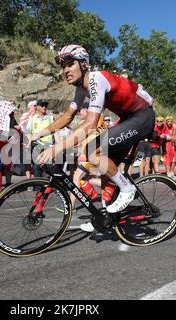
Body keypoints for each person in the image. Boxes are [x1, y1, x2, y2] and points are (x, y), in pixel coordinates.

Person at [32, 45, 155, 232]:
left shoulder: (96, 79)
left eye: (69, 64)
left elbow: (90, 123)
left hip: (142, 117)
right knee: (106, 169)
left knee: (93, 151)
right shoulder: (81, 89)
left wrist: (57, 148)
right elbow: (67, 117)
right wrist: (40, 133)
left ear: (83, 64)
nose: (65, 70)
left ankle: (127, 189)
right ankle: (104, 217)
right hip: (129, 119)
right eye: (63, 66)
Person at [27, 99, 54, 177]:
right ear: (38, 107)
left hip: (48, 145)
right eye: (42, 105)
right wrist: (28, 143)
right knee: (36, 166)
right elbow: (28, 132)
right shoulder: (32, 119)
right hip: (36, 145)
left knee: (49, 166)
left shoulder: (50, 118)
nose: (44, 107)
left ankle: (51, 185)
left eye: (46, 105)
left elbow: (55, 132)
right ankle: (38, 186)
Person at [19, 100, 37, 179]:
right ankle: (29, 181)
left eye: (36, 106)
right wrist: (30, 115)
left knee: (38, 162)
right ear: (30, 107)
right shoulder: (25, 115)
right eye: (34, 106)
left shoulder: (37, 116)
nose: (36, 107)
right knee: (28, 162)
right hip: (26, 139)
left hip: (36, 139)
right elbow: (22, 124)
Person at [163, 116, 176, 181]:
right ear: (166, 122)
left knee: (174, 160)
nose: (170, 123)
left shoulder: (173, 127)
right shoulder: (164, 127)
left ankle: (172, 173)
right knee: (167, 160)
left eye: (171, 121)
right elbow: (165, 137)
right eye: (168, 121)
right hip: (167, 145)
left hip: (173, 145)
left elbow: (175, 137)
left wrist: (175, 130)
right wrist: (171, 137)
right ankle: (168, 173)